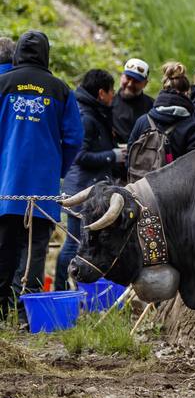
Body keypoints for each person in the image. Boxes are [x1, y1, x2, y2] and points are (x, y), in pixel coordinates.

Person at [0, 31, 83, 320]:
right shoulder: (59, 90)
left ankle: (1, 312)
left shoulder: (2, 84)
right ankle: (27, 317)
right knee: (35, 250)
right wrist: (57, 170)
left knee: (4, 247)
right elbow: (74, 139)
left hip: (6, 187)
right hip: (42, 188)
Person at [55, 68, 124, 290]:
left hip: (89, 188)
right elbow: (80, 155)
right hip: (81, 190)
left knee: (79, 244)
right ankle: (60, 290)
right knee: (73, 244)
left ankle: (77, 293)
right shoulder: (86, 116)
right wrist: (113, 155)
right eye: (112, 91)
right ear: (101, 93)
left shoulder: (96, 111)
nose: (114, 95)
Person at [126, 62, 195, 178]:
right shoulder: (192, 126)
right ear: (186, 93)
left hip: (141, 190)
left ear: (164, 89)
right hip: (173, 193)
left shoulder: (143, 120)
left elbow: (129, 156)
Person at [111, 57, 152, 142]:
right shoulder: (108, 103)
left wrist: (169, 156)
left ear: (145, 84)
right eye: (128, 78)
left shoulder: (152, 106)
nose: (130, 84)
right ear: (121, 76)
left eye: (136, 81)